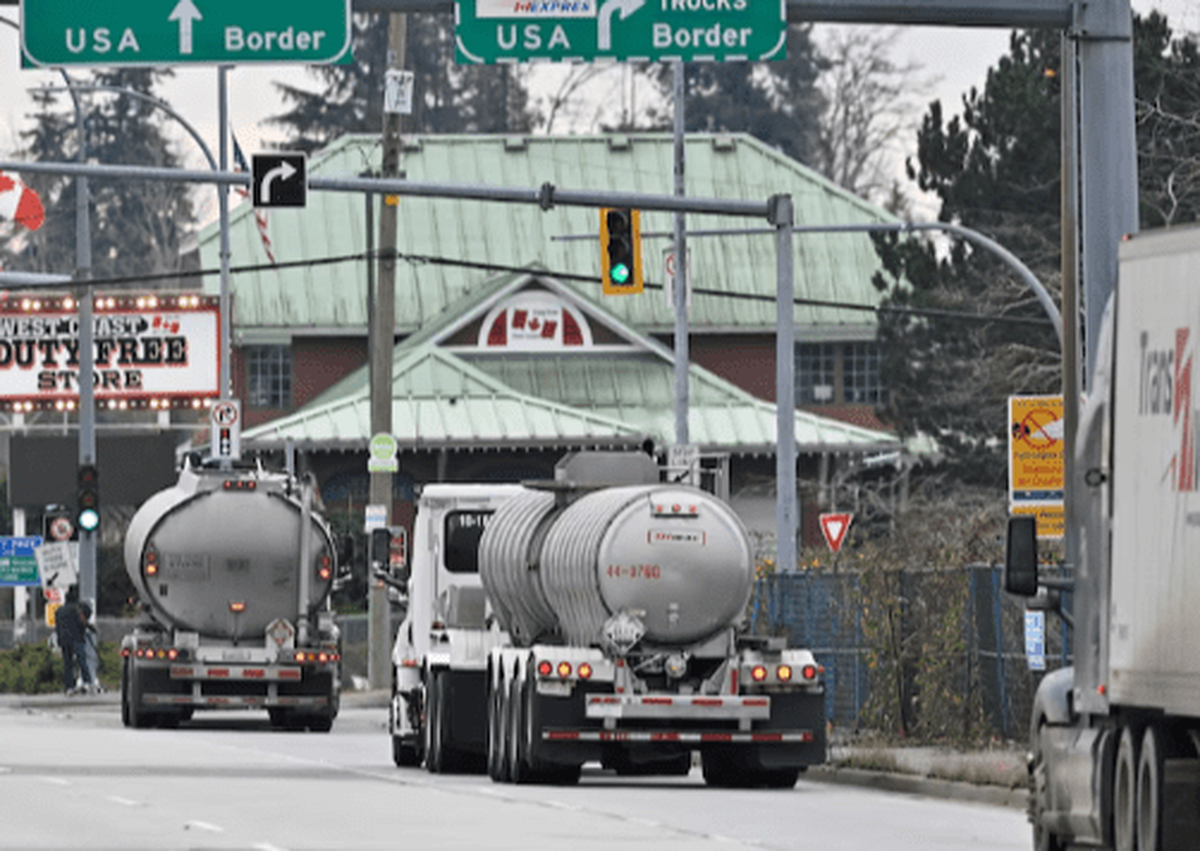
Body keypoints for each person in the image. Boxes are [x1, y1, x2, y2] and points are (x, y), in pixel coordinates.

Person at [54, 589, 91, 694]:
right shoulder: (77, 609)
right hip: (77, 638)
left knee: (68, 664)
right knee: (82, 661)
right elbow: (87, 613)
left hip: (64, 640)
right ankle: (87, 682)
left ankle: (69, 686)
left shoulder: (59, 611)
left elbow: (57, 628)